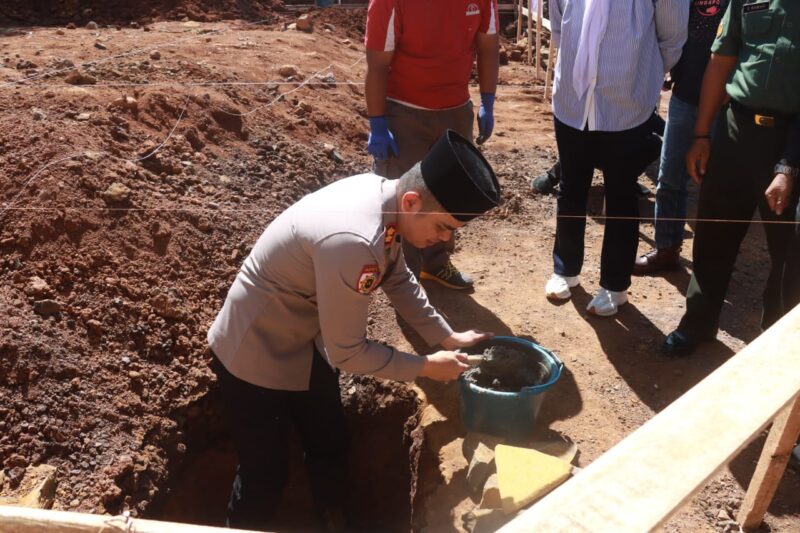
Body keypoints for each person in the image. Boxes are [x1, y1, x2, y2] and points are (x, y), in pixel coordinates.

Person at [207, 130, 501, 530]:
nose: (445, 240)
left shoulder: (386, 201)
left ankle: (331, 515)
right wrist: (426, 367)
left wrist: (445, 336)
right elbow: (347, 352)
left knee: (328, 438)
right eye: (444, 226)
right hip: (254, 349)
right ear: (412, 202)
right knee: (265, 475)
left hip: (306, 340)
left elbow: (396, 276)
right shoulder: (356, 239)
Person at [662, 1, 800, 356]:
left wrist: (788, 166)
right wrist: (702, 134)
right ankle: (697, 323)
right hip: (736, 129)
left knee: (790, 253)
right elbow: (721, 61)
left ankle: (778, 345)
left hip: (792, 138)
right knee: (714, 231)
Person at [544, 0, 688, 317]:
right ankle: (566, 269)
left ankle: (615, 285)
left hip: (626, 105)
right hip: (572, 99)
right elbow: (558, 22)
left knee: (621, 193)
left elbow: (673, 37)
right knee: (571, 187)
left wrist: (642, 77)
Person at [364, 0, 499, 290]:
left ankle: (436, 263)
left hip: (455, 110)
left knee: (449, 194)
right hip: (404, 114)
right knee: (405, 199)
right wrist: (378, 123)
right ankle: (402, 277)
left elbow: (488, 46)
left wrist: (488, 100)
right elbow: (377, 64)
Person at [634, 0, 730, 274]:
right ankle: (666, 249)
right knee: (669, 179)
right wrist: (670, 69)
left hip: (725, 103)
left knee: (717, 186)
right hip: (685, 95)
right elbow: (673, 32)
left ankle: (714, 263)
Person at [530, 111, 666, 195]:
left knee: (655, 143)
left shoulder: (643, 107)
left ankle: (626, 181)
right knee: (583, 134)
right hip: (594, 150)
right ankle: (553, 176)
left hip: (620, 156)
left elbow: (664, 129)